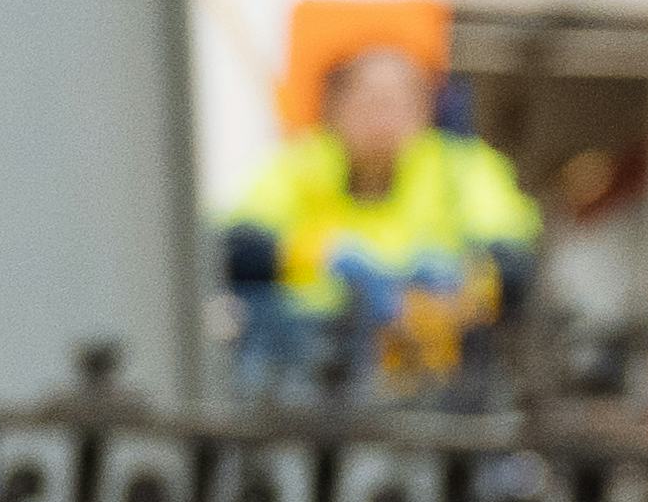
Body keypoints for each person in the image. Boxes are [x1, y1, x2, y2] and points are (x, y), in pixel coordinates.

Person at [225, 41, 539, 399]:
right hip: (311, 372)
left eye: (398, 102)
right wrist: (316, 255)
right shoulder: (299, 164)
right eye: (367, 100)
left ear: (425, 109)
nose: (382, 117)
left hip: (437, 374)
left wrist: (462, 284)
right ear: (333, 106)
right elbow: (234, 249)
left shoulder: (463, 169)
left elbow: (515, 264)